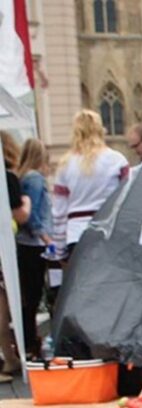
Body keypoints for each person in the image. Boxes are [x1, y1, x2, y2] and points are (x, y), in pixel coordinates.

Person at [53, 110, 129, 260]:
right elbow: (128, 199)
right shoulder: (117, 160)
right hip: (109, 232)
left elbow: (59, 211)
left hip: (76, 234)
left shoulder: (65, 164)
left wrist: (59, 249)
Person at [16, 138, 52, 359]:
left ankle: (29, 342)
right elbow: (35, 214)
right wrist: (47, 239)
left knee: (28, 297)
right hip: (34, 244)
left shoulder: (23, 177)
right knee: (34, 294)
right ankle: (31, 343)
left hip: (25, 244)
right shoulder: (36, 179)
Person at [0, 132, 29, 382]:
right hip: (4, 250)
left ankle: (9, 357)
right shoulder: (7, 178)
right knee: (4, 305)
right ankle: (10, 358)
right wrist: (27, 203)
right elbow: (20, 215)